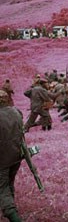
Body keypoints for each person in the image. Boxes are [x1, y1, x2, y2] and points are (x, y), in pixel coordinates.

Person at [0, 90, 24, 221]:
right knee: (9, 183)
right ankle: (10, 205)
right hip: (16, 156)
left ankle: (11, 213)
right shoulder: (16, 112)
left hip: (2, 158)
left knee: (2, 188)